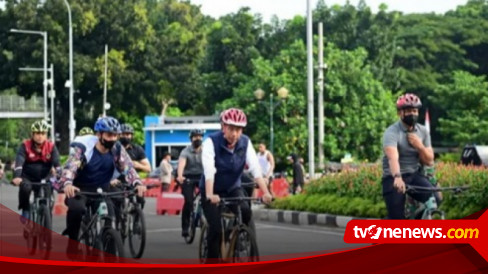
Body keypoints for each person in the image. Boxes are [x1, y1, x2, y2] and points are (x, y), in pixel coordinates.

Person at [57, 116, 146, 255]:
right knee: (77, 210)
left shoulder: (117, 149)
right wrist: (68, 183)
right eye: (109, 135)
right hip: (80, 189)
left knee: (110, 219)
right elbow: (71, 166)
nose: (113, 139)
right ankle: (72, 243)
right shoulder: (85, 147)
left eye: (115, 135)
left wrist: (137, 183)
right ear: (99, 134)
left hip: (102, 189)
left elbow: (127, 167)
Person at [201, 108, 272, 260]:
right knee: (215, 230)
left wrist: (266, 192)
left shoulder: (245, 142)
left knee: (246, 211)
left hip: (233, 187)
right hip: (212, 189)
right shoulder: (210, 142)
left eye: (238, 129)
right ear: (223, 127)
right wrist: (210, 194)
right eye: (231, 128)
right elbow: (209, 170)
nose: (235, 134)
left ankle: (242, 240)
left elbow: (255, 169)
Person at [382, 93, 435, 219]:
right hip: (393, 177)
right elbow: (392, 158)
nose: (412, 114)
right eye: (409, 111)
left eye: (415, 110)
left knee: (434, 199)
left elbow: (429, 160)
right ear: (400, 113)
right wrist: (397, 177)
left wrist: (419, 145)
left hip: (414, 175)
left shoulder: (423, 131)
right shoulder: (392, 132)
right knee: (396, 217)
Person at [12, 120, 60, 223]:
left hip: (45, 177)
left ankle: (47, 219)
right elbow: (19, 162)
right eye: (38, 133)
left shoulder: (51, 147)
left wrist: (60, 176)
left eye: (43, 133)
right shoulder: (25, 146)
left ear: (46, 135)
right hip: (28, 177)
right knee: (25, 188)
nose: (40, 136)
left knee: (48, 197)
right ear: (33, 134)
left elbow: (57, 164)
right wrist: (17, 176)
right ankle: (25, 209)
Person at [177, 129, 204, 238]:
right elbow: (181, 165)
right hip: (187, 177)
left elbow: (211, 164)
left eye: (199, 137)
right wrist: (180, 176)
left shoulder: (206, 151)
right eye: (195, 137)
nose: (197, 139)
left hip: (202, 176)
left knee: (208, 198)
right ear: (191, 139)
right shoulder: (185, 151)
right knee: (188, 201)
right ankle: (185, 226)